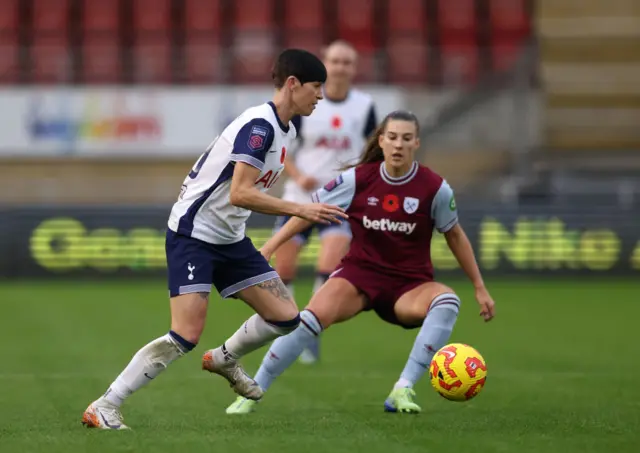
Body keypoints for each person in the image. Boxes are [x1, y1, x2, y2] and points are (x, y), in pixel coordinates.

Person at [81, 49, 348, 430]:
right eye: (316, 86)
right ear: (293, 84)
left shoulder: (286, 129)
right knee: (185, 334)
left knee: (287, 316)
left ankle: (225, 358)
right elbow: (240, 192)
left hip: (230, 238)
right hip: (194, 234)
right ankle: (106, 405)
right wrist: (301, 209)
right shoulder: (261, 127)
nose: (321, 95)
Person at [225, 110, 496, 415]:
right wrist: (271, 246)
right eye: (392, 137)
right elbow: (309, 211)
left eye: (406, 139)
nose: (398, 145)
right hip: (358, 277)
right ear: (381, 140)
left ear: (416, 143)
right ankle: (252, 392)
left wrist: (479, 286)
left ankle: (402, 388)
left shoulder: (434, 188)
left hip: (409, 286)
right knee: (305, 321)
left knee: (447, 301)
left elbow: (455, 235)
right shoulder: (357, 179)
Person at [275, 40, 378, 364]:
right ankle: (291, 326)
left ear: (354, 67)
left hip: (339, 199)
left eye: (347, 62)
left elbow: (374, 150)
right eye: (335, 61)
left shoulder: (364, 106)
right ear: (325, 63)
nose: (340, 67)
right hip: (300, 197)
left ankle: (309, 329)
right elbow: (282, 146)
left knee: (329, 264)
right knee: (284, 267)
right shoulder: (308, 102)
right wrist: (296, 173)